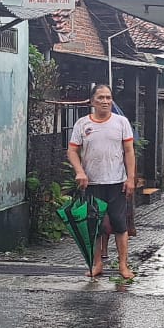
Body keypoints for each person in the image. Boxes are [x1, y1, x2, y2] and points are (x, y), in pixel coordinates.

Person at [66, 83, 137, 280]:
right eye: (101, 98)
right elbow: (72, 151)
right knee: (94, 225)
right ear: (92, 101)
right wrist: (79, 171)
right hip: (92, 183)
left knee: (120, 225)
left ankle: (123, 265)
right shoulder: (82, 124)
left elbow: (129, 151)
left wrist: (131, 178)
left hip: (117, 182)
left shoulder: (121, 122)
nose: (105, 101)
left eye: (108, 97)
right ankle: (97, 264)